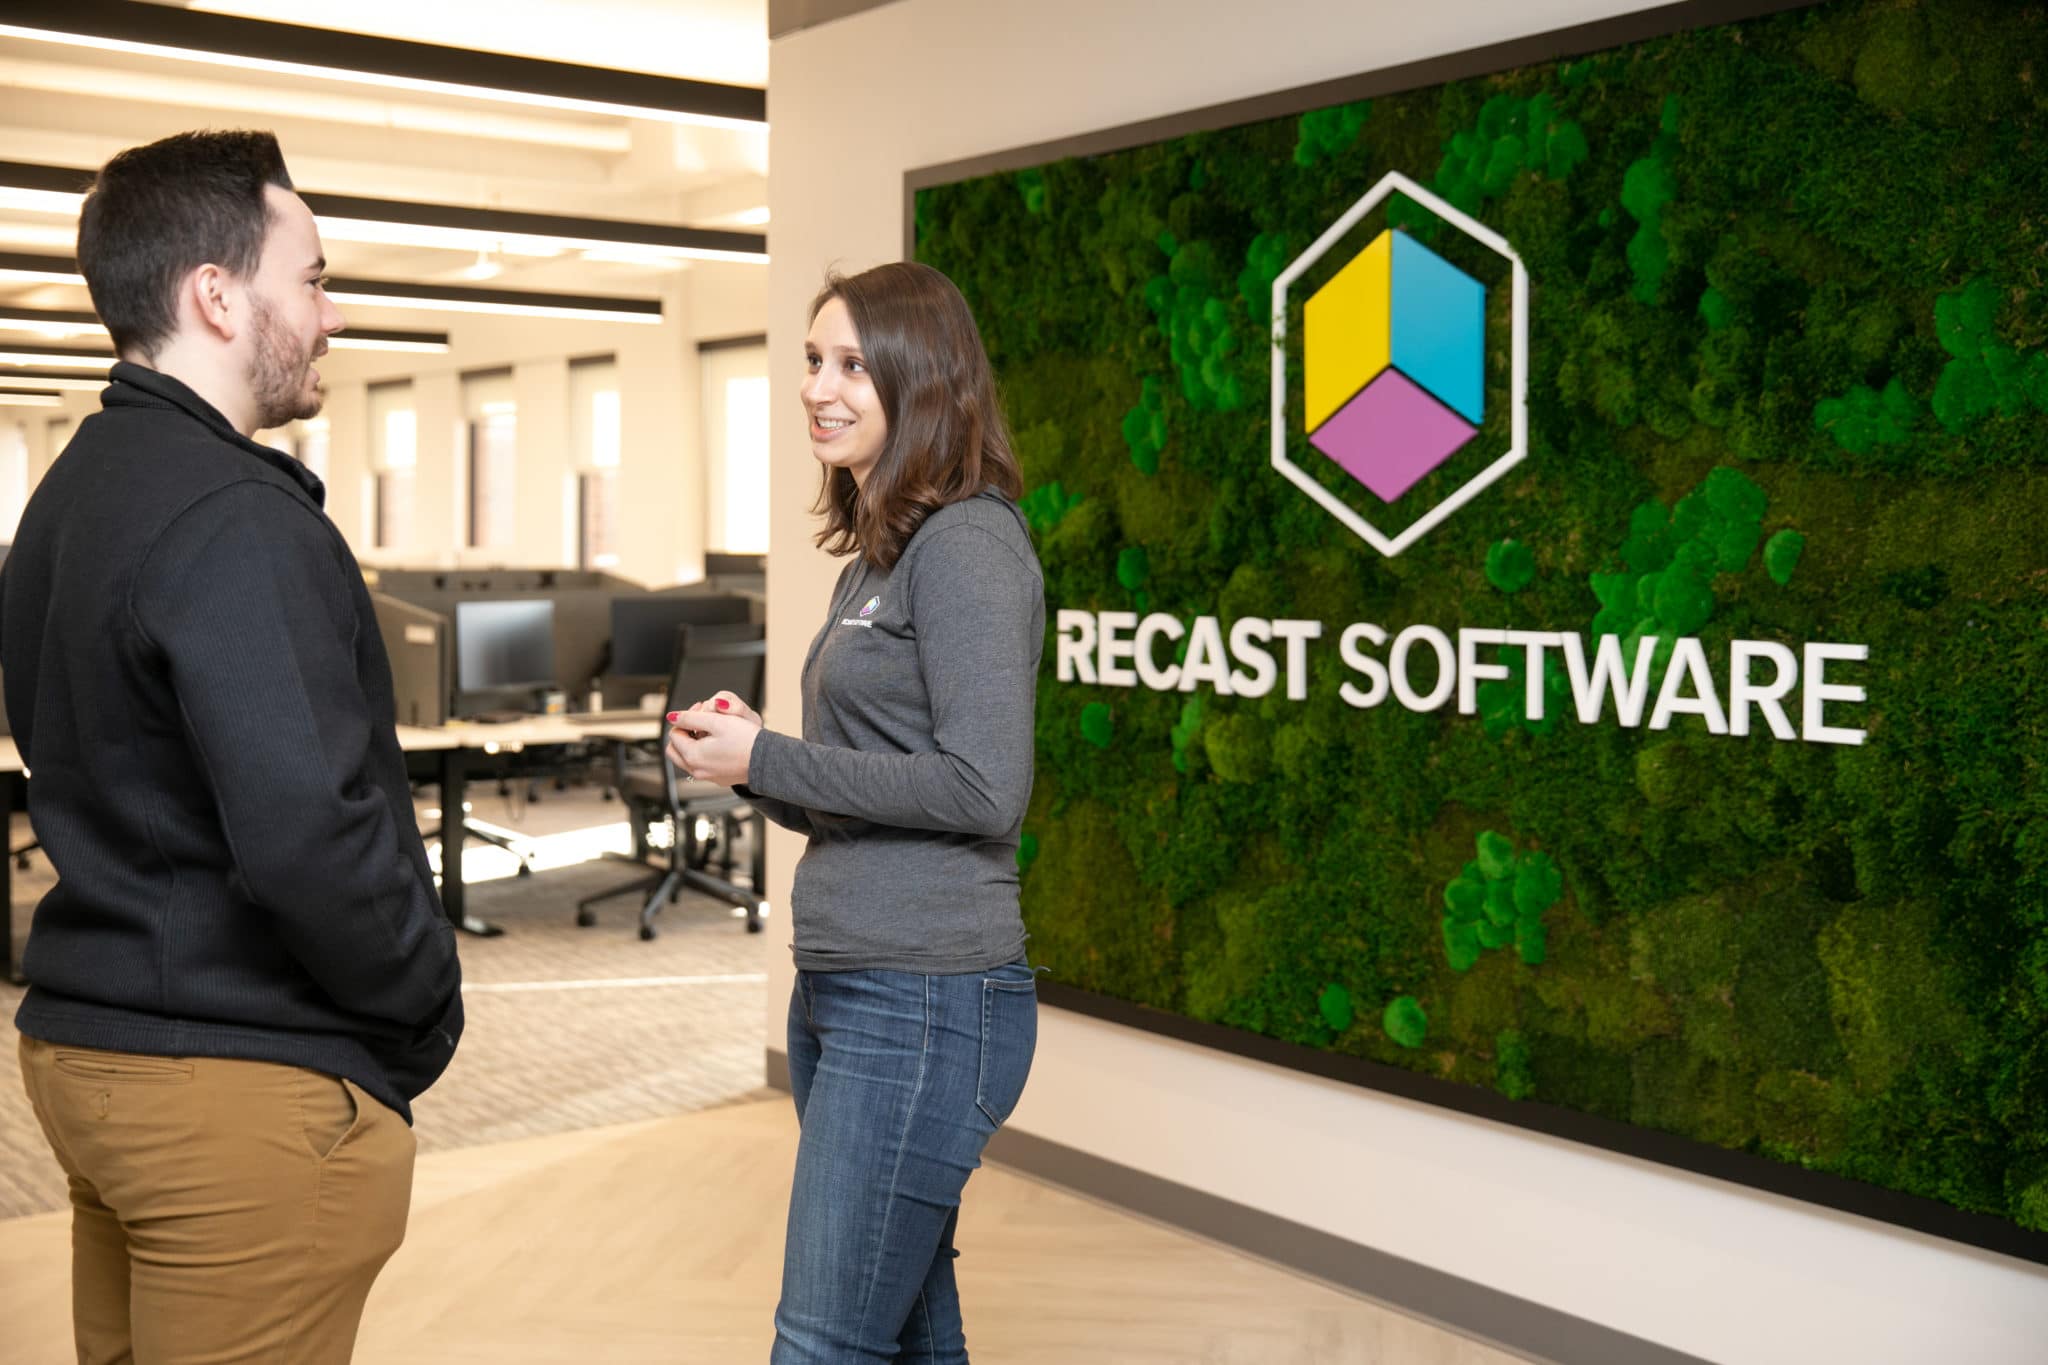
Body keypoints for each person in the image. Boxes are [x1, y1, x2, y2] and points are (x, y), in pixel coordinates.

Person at [0, 130, 463, 1364]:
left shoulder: (71, 493)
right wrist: (422, 1010)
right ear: (217, 294)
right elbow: (312, 830)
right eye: (310, 279)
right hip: (233, 1085)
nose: (331, 314)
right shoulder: (234, 518)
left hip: (94, 1051)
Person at [670, 260, 1042, 1364]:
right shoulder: (879, 551)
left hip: (922, 998)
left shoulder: (968, 546)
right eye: (810, 361)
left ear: (920, 381)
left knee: (823, 1344)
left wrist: (772, 755)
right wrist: (755, 765)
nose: (816, 388)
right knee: (914, 1334)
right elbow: (864, 792)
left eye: (851, 366)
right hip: (846, 982)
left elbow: (983, 788)